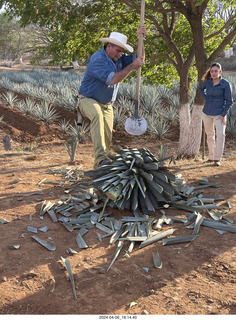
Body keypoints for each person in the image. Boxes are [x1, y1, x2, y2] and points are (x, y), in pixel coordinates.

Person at [77, 26, 146, 169]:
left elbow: (140, 58)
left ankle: (100, 167)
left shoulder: (118, 58)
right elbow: (113, 80)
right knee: (96, 115)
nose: (121, 54)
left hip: (107, 104)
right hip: (87, 99)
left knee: (107, 137)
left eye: (122, 51)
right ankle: (101, 159)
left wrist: (142, 38)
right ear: (109, 46)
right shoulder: (98, 59)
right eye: (118, 50)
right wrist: (132, 66)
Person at [199, 62, 232, 166]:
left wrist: (223, 114)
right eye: (212, 71)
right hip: (207, 112)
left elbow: (229, 101)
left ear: (220, 72)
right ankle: (211, 157)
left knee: (220, 135)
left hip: (219, 114)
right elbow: (200, 88)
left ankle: (218, 159)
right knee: (210, 135)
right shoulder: (208, 82)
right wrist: (206, 98)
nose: (213, 73)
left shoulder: (225, 84)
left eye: (216, 71)